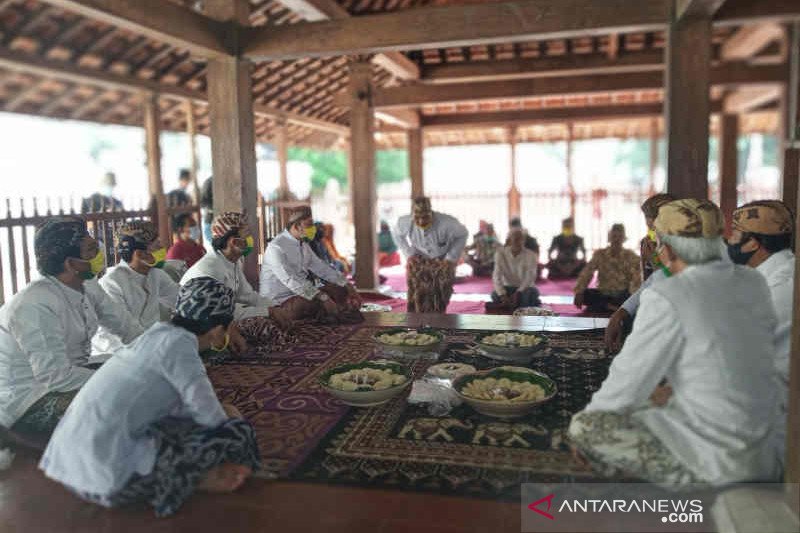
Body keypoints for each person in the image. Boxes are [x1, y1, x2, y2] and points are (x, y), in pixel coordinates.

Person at [569, 199, 783, 488]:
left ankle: (697, 485)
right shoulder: (753, 281)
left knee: (586, 427)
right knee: (651, 403)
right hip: (768, 447)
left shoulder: (668, 293)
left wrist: (589, 428)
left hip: (725, 460)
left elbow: (625, 384)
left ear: (666, 248)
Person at [40, 277, 261, 517]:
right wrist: (230, 423)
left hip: (68, 467)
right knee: (237, 430)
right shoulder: (181, 348)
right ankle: (197, 478)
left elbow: (171, 406)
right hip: (109, 481)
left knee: (196, 419)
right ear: (219, 330)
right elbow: (210, 417)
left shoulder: (158, 334)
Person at [0, 217, 142, 446]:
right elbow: (55, 376)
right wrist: (118, 380)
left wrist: (157, 353)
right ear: (70, 264)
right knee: (123, 401)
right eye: (92, 250)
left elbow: (127, 327)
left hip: (71, 375)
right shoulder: (34, 305)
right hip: (29, 398)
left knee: (140, 374)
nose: (100, 253)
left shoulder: (87, 286)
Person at [181, 212, 288, 349]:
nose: (250, 239)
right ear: (234, 242)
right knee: (262, 325)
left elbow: (247, 295)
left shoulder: (234, 261)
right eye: (246, 235)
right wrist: (268, 311)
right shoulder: (211, 268)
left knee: (276, 316)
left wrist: (275, 307)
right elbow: (224, 311)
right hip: (204, 324)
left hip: (223, 317)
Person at [727, 200, 794, 411]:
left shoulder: (783, 284)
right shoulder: (765, 273)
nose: (729, 241)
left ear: (753, 243)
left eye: (735, 234)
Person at [91, 221, 180, 357]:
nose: (163, 248)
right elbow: (123, 332)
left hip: (146, 349)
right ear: (140, 254)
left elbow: (180, 299)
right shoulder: (112, 283)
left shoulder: (155, 274)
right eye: (157, 246)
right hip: (114, 355)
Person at [260, 207, 362, 323]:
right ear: (296, 226)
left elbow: (322, 268)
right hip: (279, 301)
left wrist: (347, 285)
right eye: (309, 225)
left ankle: (328, 313)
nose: (313, 228)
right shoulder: (276, 247)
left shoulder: (303, 244)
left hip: (301, 294)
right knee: (310, 303)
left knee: (340, 289)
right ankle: (327, 313)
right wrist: (323, 297)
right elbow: (291, 280)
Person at [604, 193, 675, 352]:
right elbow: (651, 283)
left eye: (656, 228)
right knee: (629, 317)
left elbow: (675, 286)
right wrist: (621, 312)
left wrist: (655, 261)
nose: (653, 232)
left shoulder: (685, 244)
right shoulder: (651, 243)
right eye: (650, 227)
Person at [392, 196, 469, 313]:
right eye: (417, 217)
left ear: (431, 212)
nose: (422, 221)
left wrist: (451, 258)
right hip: (418, 260)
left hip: (443, 260)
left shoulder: (448, 222)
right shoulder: (404, 221)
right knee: (416, 294)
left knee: (441, 294)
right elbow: (397, 235)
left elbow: (463, 234)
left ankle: (439, 319)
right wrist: (409, 254)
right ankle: (415, 322)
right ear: (412, 214)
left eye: (425, 217)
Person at [573, 223, 640, 313]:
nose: (616, 239)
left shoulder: (630, 256)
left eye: (619, 236)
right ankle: (613, 307)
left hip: (621, 294)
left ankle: (606, 306)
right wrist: (579, 291)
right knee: (586, 295)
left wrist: (633, 294)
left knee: (632, 297)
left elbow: (637, 277)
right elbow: (587, 272)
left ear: (623, 238)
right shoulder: (600, 254)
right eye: (614, 236)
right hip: (603, 293)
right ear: (610, 237)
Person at [489, 228, 541, 312]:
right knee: (495, 295)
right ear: (509, 240)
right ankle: (513, 304)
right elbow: (496, 275)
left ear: (524, 240)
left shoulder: (531, 255)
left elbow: (530, 277)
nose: (519, 241)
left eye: (521, 239)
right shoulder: (500, 253)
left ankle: (509, 305)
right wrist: (502, 294)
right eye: (516, 239)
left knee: (529, 295)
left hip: (525, 289)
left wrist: (518, 293)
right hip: (508, 288)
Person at [199, 177, 214, 245]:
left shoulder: (209, 181)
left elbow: (202, 202)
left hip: (210, 219)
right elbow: (202, 202)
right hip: (211, 219)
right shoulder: (209, 181)